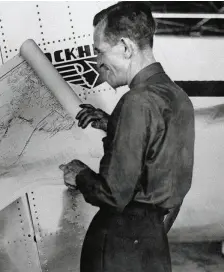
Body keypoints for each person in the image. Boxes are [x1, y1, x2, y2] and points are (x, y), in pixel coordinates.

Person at [59, 2, 195, 272]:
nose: (98, 64)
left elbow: (113, 195)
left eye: (99, 52)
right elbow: (159, 150)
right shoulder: (177, 96)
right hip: (154, 244)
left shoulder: (136, 102)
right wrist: (112, 125)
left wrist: (79, 174)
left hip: (117, 246)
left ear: (125, 47)